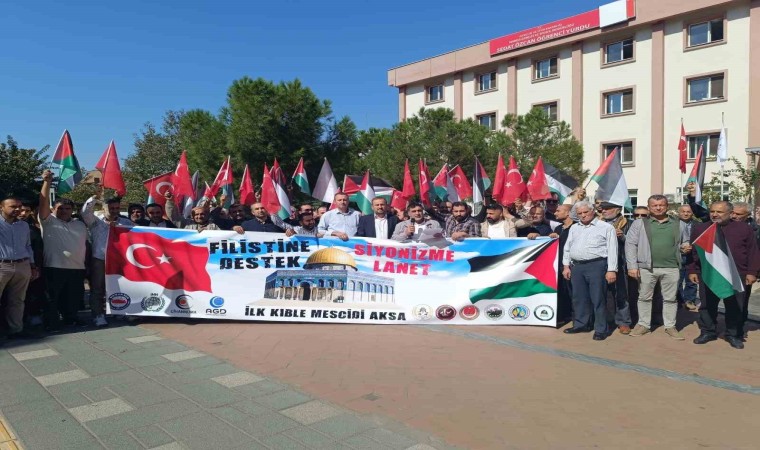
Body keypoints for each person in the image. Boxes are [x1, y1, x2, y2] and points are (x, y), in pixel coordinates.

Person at [689, 201, 760, 349]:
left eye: (719, 212)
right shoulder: (701, 228)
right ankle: (708, 331)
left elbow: (753, 252)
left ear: (730, 213)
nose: (715, 214)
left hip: (737, 275)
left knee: (735, 306)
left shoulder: (744, 229)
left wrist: (752, 272)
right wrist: (693, 270)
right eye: (712, 211)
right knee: (707, 305)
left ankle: (733, 334)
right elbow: (694, 252)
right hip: (709, 274)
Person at [624, 195, 685, 340]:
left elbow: (684, 241)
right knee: (644, 297)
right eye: (654, 205)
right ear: (649, 207)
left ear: (667, 206)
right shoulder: (639, 223)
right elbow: (630, 244)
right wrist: (632, 266)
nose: (658, 208)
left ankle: (670, 326)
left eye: (661, 205)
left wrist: (685, 247)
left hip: (671, 267)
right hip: (646, 267)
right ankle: (644, 325)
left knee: (670, 299)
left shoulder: (678, 224)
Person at [39, 170, 88, 329]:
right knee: (52, 298)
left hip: (77, 267)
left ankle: (71, 318)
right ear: (53, 209)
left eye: (67, 208)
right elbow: (43, 203)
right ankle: (52, 322)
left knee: (72, 297)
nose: (64, 211)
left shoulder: (80, 224)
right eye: (60, 208)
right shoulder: (49, 221)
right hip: (54, 267)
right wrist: (47, 182)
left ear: (72, 210)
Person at [562, 201, 618, 341]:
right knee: (579, 298)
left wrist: (611, 270)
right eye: (579, 213)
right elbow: (567, 247)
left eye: (585, 212)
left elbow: (612, 249)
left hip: (597, 265)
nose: (583, 215)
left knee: (598, 298)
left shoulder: (606, 227)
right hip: (577, 267)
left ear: (593, 211)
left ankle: (601, 329)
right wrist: (566, 266)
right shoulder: (574, 227)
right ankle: (581, 324)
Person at [81, 194, 133, 327]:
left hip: (120, 260)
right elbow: (85, 212)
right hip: (100, 259)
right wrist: (93, 199)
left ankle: (119, 310)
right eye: (111, 208)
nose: (115, 210)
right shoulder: (95, 221)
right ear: (104, 208)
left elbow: (139, 235)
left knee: (120, 286)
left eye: (117, 208)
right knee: (98, 288)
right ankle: (98, 315)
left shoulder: (126, 223)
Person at [0, 197, 38, 338]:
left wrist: (32, 265)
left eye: (19, 206)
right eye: (13, 206)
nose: (17, 209)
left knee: (17, 300)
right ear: (1, 207)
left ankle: (16, 329)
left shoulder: (23, 225)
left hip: (22, 265)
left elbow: (28, 246)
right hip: (2, 265)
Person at [599, 202, 632, 334]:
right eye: (602, 209)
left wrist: (623, 237)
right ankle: (607, 320)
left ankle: (623, 322)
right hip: (601, 263)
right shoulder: (597, 224)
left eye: (608, 209)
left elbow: (636, 243)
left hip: (621, 262)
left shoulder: (628, 223)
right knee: (604, 294)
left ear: (618, 210)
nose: (604, 211)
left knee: (621, 294)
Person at [731, 201, 760, 338]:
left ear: (747, 215)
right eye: (733, 213)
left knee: (741, 302)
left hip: (744, 272)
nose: (734, 216)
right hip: (726, 270)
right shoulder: (725, 225)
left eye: (738, 214)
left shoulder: (755, 230)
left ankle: (738, 330)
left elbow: (755, 253)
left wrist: (753, 272)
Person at [18, 202, 45, 327]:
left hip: (34, 267)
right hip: (14, 267)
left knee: (33, 293)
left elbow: (37, 249)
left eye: (27, 211)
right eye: (21, 210)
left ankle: (32, 316)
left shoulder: (34, 229)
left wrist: (36, 266)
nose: (23, 213)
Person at [552, 204, 576, 324]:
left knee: (574, 293)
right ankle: (564, 316)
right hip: (559, 265)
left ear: (568, 213)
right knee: (562, 292)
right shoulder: (558, 228)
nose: (555, 213)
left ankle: (577, 318)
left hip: (572, 265)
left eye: (558, 211)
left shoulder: (576, 227)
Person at [677, 205, 698, 311]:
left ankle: (690, 300)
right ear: (679, 213)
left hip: (692, 255)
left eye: (688, 212)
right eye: (683, 211)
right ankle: (679, 300)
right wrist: (680, 248)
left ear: (692, 213)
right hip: (678, 254)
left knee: (692, 279)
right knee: (678, 279)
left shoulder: (697, 224)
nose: (685, 214)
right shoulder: (673, 224)